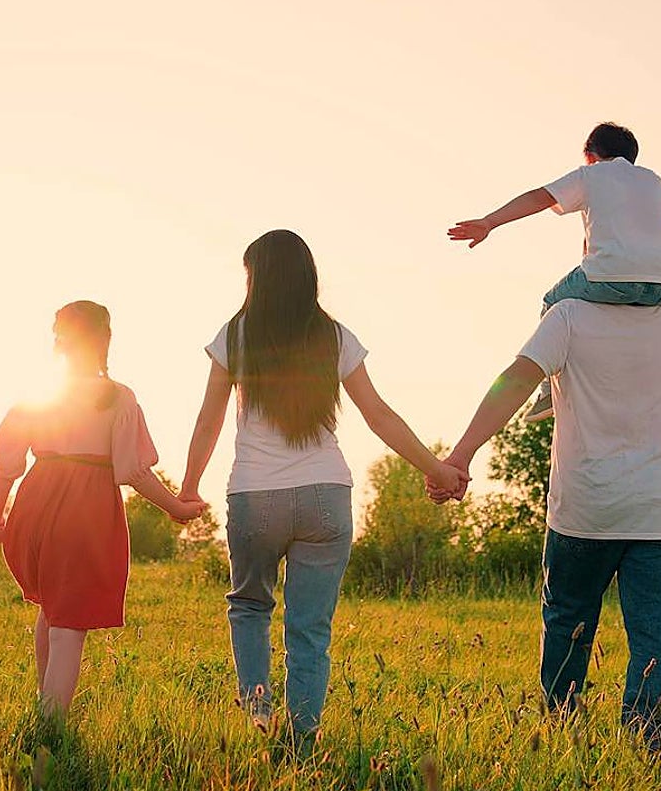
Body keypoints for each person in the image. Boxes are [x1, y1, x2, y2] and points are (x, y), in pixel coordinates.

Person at [179, 229, 467, 754]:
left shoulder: (236, 334)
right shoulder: (333, 336)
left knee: (250, 607)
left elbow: (209, 418)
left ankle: (259, 713)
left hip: (255, 496)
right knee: (309, 628)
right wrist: (438, 468)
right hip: (324, 496)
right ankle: (302, 739)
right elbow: (378, 414)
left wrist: (187, 488)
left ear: (257, 279)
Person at [429, 298, 661, 750]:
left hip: (586, 506)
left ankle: (559, 734)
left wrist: (461, 454)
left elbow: (514, 380)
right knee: (656, 639)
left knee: (566, 623)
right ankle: (649, 753)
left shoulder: (568, 315)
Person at [0, 301, 206, 719]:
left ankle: (45, 706)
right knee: (69, 624)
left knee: (52, 609)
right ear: (104, 339)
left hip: (34, 503)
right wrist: (174, 507)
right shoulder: (117, 397)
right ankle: (50, 729)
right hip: (85, 509)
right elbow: (132, 472)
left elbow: (6, 465)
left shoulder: (37, 396)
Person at [447, 122, 661, 421]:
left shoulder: (590, 175)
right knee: (602, 274)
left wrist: (490, 222)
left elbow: (539, 197)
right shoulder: (651, 180)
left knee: (552, 301)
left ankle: (547, 392)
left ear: (590, 156)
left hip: (610, 278)